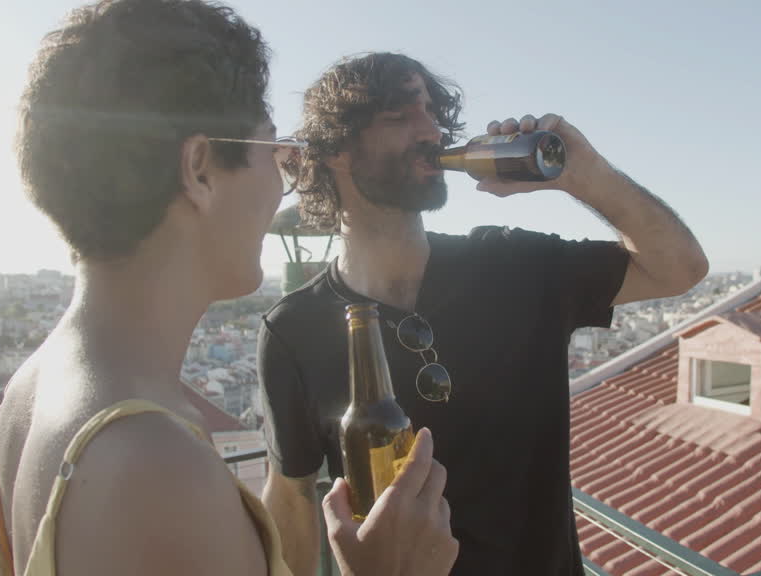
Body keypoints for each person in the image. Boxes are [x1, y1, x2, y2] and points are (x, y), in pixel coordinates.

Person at [0, 0, 458, 576]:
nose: (286, 173)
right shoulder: (158, 467)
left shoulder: (26, 396)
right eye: (270, 147)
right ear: (201, 170)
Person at [258, 52, 709, 575]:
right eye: (399, 117)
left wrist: (586, 176)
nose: (431, 132)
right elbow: (291, 499)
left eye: (431, 113)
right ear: (336, 151)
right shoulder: (293, 329)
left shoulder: (514, 264)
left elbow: (681, 268)